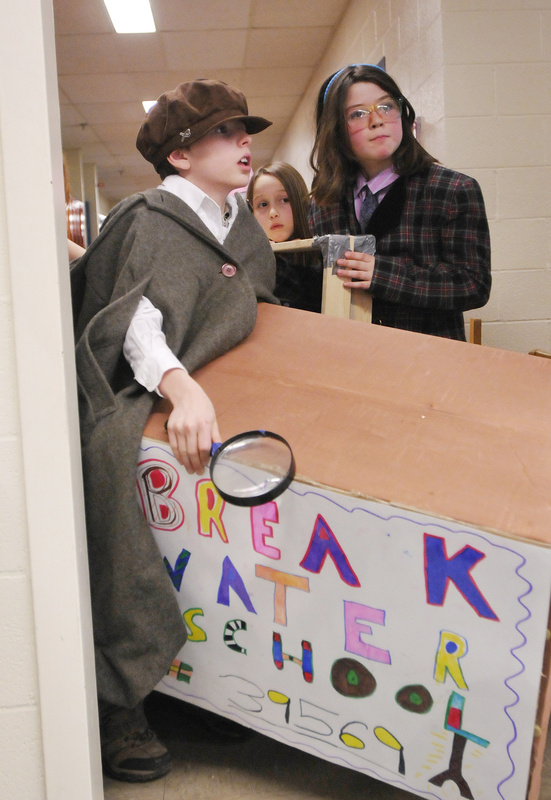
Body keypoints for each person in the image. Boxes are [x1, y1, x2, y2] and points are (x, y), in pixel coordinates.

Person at [70, 78, 278, 783]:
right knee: (123, 519)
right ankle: (116, 702)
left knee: (230, 548)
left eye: (245, 129)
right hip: (137, 400)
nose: (244, 141)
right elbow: (133, 321)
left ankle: (195, 690)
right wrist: (179, 386)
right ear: (181, 156)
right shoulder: (149, 216)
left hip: (222, 409)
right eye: (225, 132)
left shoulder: (242, 230)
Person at [308, 63, 491, 340]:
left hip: (428, 365)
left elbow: (473, 285)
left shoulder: (453, 190)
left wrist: (380, 274)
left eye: (386, 107)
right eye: (357, 114)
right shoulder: (324, 202)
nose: (376, 120)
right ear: (336, 129)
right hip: (350, 360)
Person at [247, 162, 322, 313]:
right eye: (263, 204)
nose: (273, 213)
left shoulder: (325, 257)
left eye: (284, 200)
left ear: (300, 201)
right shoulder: (250, 265)